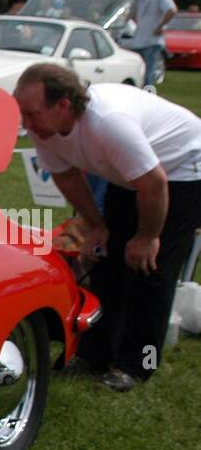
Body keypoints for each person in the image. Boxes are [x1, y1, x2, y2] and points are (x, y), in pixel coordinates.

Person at [14, 64, 201, 390]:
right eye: (22, 115)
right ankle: (94, 353)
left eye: (32, 114)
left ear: (63, 105)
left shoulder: (108, 123)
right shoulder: (44, 128)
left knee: (152, 271)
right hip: (132, 176)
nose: (26, 124)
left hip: (181, 169)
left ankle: (140, 363)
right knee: (108, 263)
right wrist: (96, 226)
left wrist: (147, 237)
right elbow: (67, 177)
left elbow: (155, 183)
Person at [127, 0, 177, 90]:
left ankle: (149, 97)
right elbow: (133, 13)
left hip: (152, 41)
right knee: (140, 73)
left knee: (148, 75)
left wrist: (160, 26)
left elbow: (172, 10)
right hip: (139, 40)